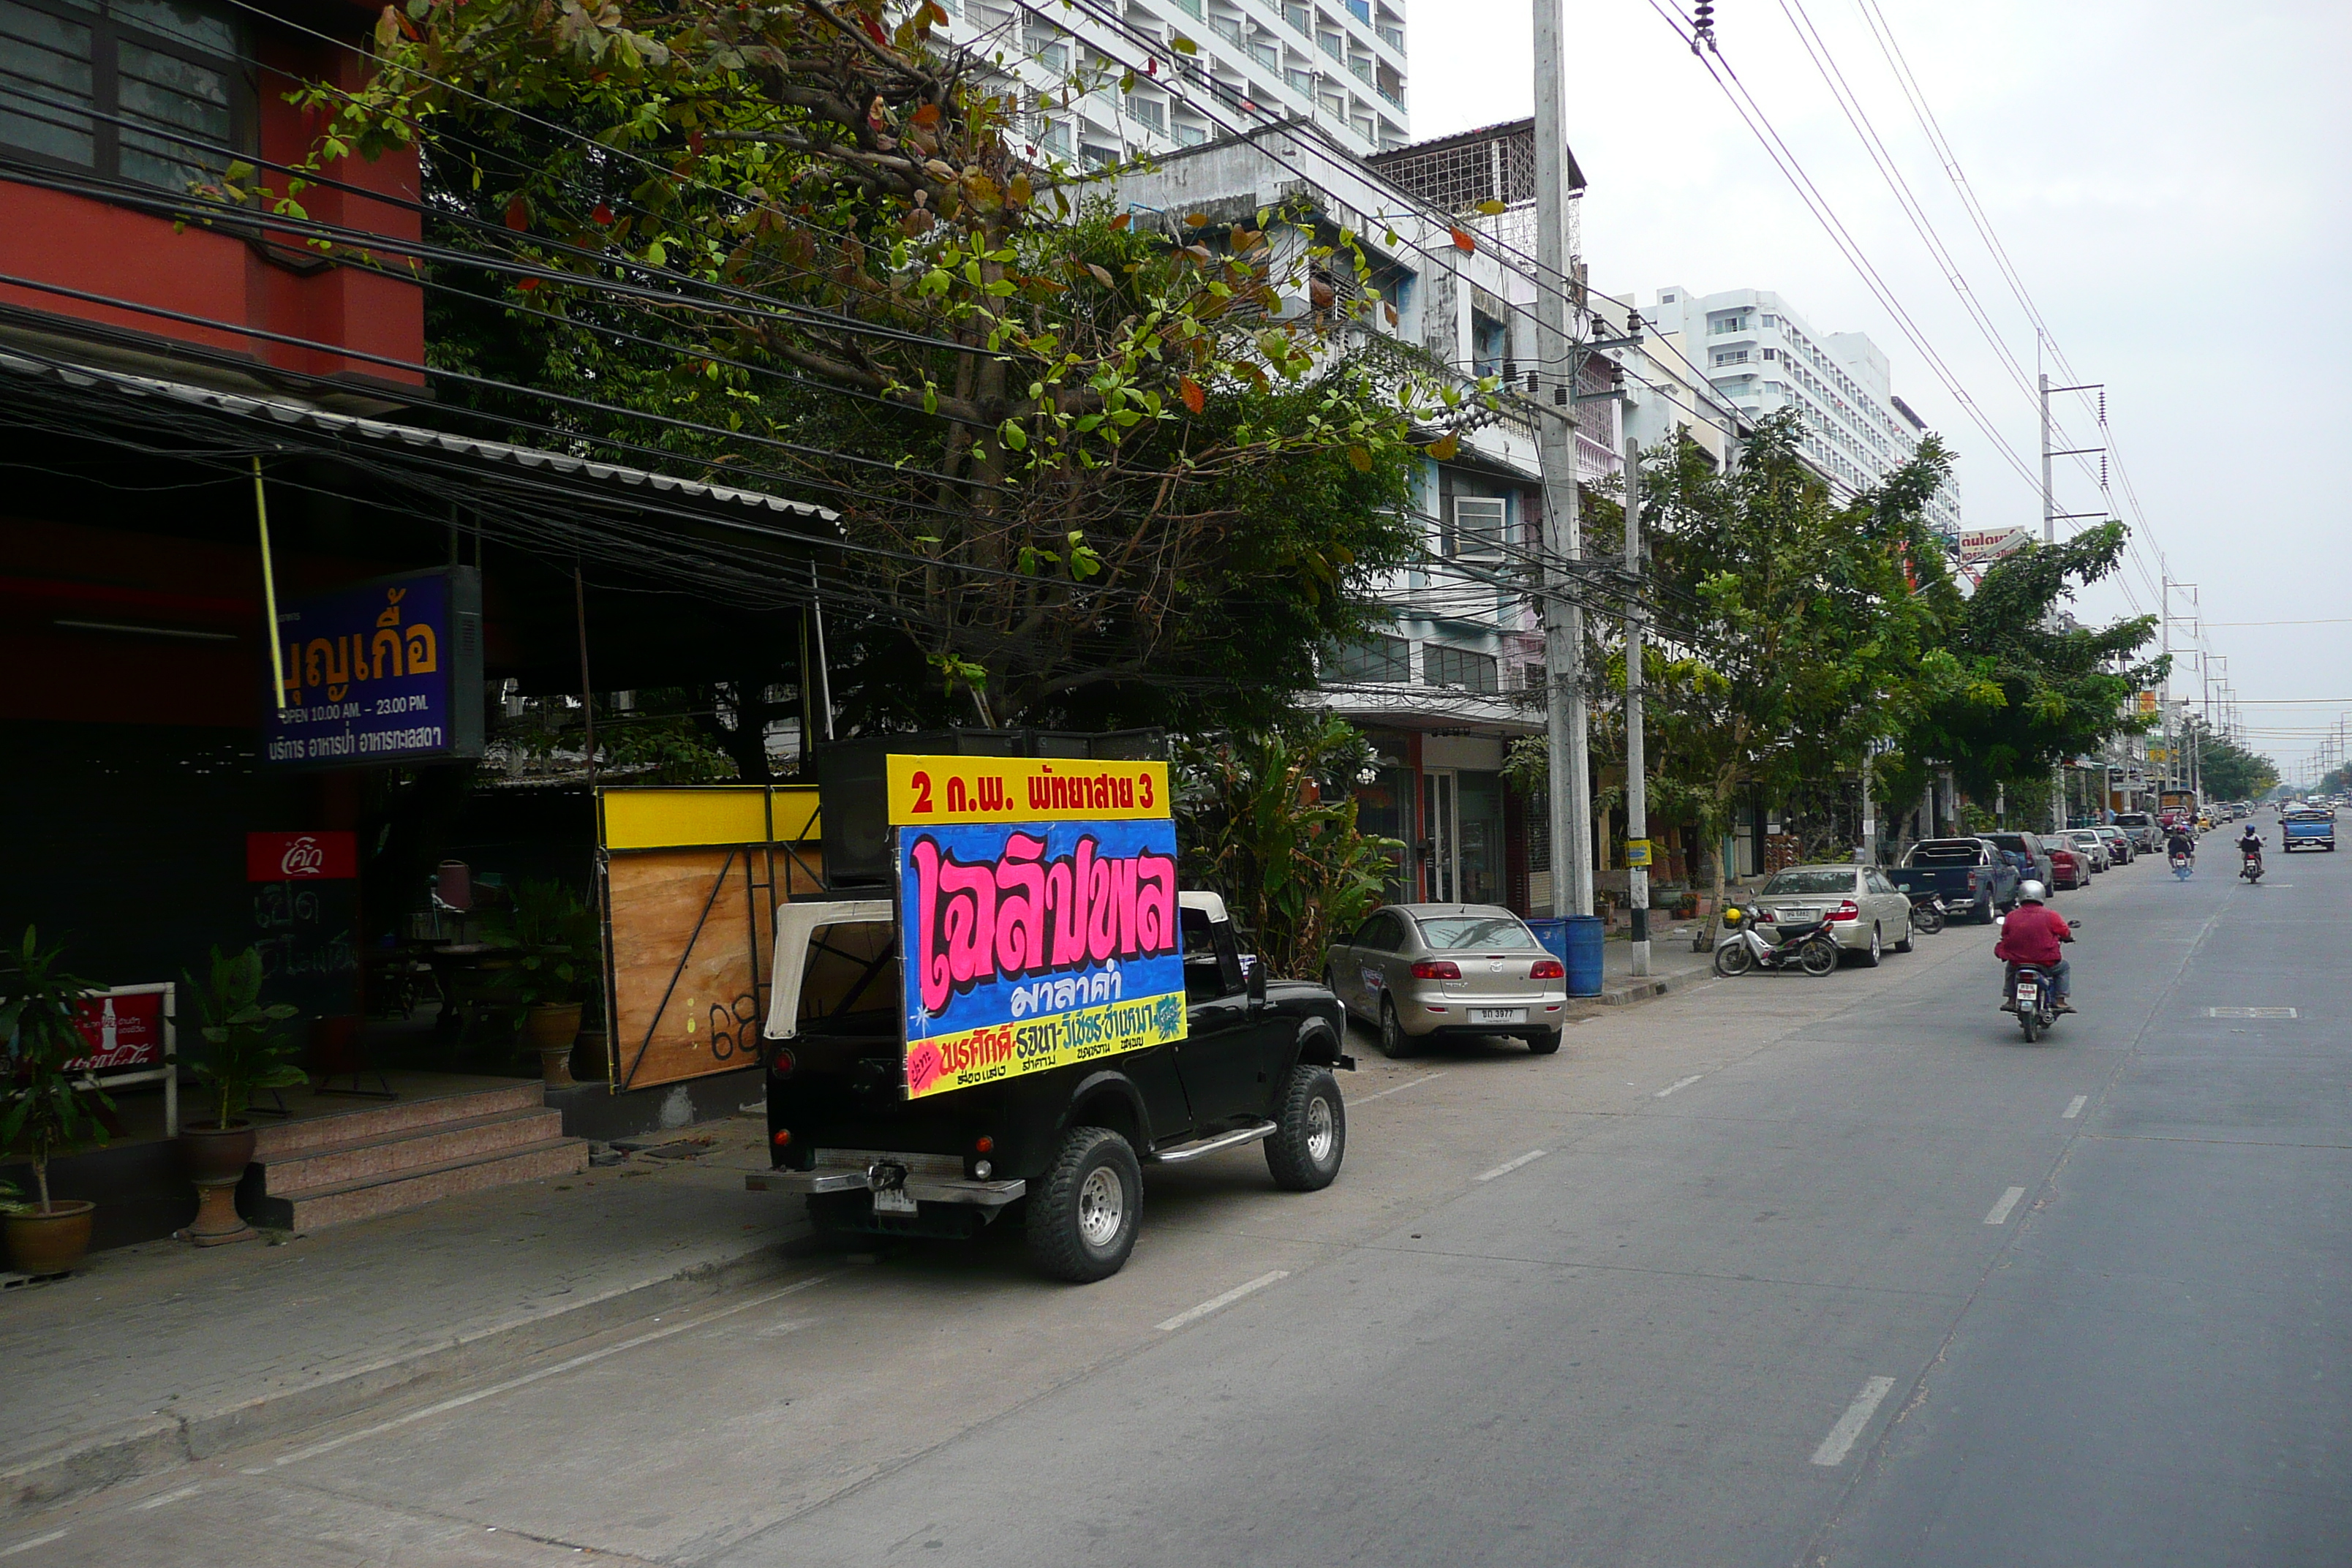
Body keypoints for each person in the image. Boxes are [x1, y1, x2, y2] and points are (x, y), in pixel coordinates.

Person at [1996, 881, 2074, 1012]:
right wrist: (2067, 938)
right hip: (2046, 962)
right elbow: (2065, 932)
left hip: (2018, 962)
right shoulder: (2051, 915)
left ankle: (2010, 999)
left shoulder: (2011, 916)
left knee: (2010, 969)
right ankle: (2060, 1000)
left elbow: (2005, 934)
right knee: (2064, 968)